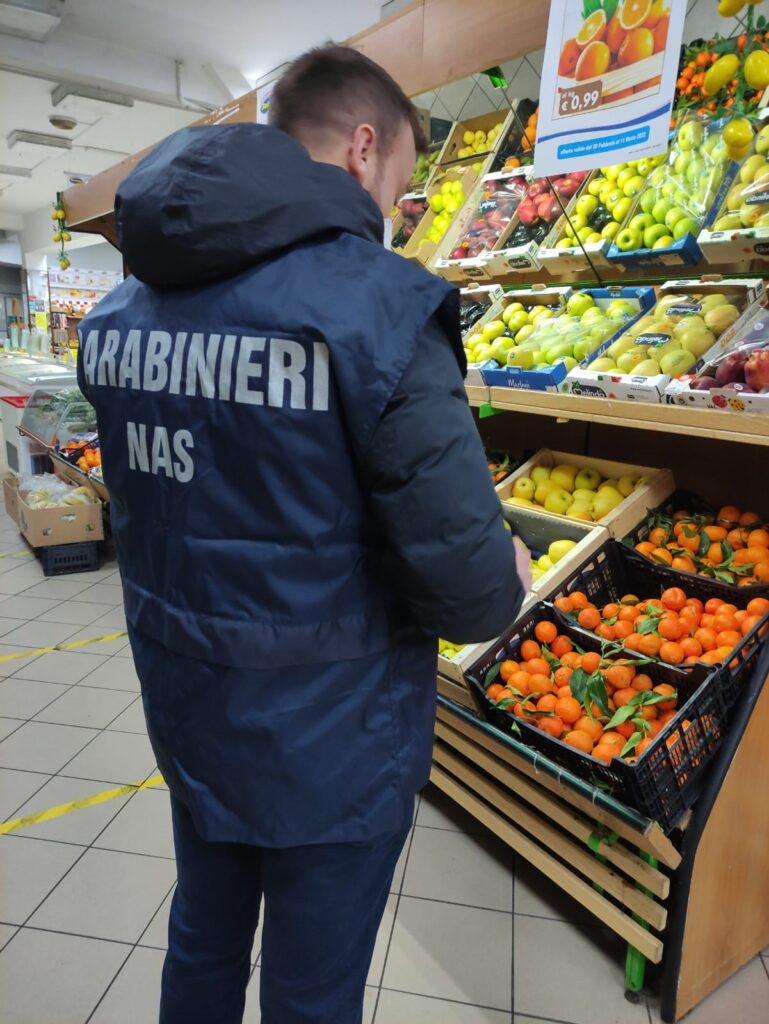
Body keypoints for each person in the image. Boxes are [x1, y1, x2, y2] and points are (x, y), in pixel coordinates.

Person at [78, 43, 527, 1024]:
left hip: (191, 705)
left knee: (201, 944)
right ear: (365, 149)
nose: (395, 208)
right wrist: (505, 565)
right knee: (310, 992)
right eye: (402, 180)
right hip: (336, 739)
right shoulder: (380, 307)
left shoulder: (118, 315)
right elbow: (470, 594)